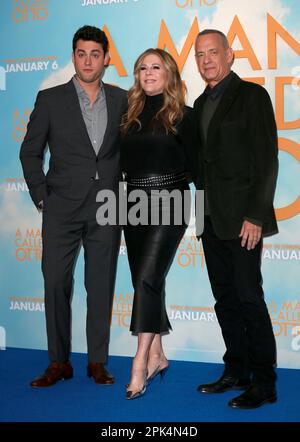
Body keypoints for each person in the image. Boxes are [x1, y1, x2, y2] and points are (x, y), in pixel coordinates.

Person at [20, 25, 127, 387]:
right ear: (73, 56)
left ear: (106, 59)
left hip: (107, 208)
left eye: (95, 54)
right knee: (55, 283)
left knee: (100, 286)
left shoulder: (122, 99)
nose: (87, 60)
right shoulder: (50, 100)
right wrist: (41, 197)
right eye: (81, 53)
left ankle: (97, 361)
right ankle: (58, 361)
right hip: (61, 208)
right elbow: (30, 151)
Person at [192, 29, 278, 409]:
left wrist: (256, 215)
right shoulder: (198, 102)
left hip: (244, 219)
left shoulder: (252, 96)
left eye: (213, 52)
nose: (207, 59)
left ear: (229, 54)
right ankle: (237, 369)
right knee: (224, 299)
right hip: (209, 217)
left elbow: (267, 160)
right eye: (200, 54)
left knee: (248, 297)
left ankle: (264, 382)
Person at [120, 48, 198, 400]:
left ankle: (139, 364)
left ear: (169, 74)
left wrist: (211, 214)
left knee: (149, 277)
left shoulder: (186, 116)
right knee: (144, 280)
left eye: (156, 67)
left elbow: (199, 169)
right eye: (142, 68)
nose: (148, 73)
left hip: (171, 202)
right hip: (132, 203)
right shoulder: (129, 114)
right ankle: (158, 355)